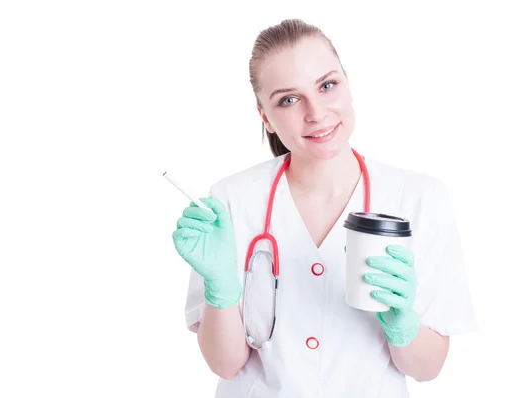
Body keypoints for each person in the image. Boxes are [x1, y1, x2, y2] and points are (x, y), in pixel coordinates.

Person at [172, 18, 477, 398]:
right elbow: (225, 364)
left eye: (327, 85)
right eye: (288, 99)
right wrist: (220, 288)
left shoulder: (418, 198)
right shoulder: (232, 201)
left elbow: (428, 369)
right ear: (265, 117)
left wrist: (404, 323)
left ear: (348, 84)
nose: (316, 112)